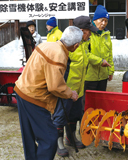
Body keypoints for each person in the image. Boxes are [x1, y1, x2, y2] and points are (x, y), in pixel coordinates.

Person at [14, 26, 83, 160]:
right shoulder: (59, 55)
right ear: (76, 45)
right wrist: (70, 93)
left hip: (21, 90)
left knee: (28, 135)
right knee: (50, 138)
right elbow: (55, 86)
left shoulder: (47, 45)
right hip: (33, 97)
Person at [52, 16, 99, 157]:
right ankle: (58, 142)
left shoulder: (83, 44)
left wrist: (100, 61)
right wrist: (63, 89)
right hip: (65, 90)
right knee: (60, 116)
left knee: (75, 115)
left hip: (78, 90)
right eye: (89, 31)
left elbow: (87, 57)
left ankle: (70, 138)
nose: (90, 34)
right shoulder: (67, 45)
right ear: (82, 31)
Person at [84, 5, 114, 94]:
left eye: (106, 21)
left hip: (103, 76)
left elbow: (109, 54)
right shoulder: (88, 33)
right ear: (95, 20)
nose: (104, 23)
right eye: (102, 20)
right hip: (89, 76)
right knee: (88, 103)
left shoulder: (106, 34)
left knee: (100, 102)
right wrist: (100, 61)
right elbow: (86, 53)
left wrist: (111, 71)